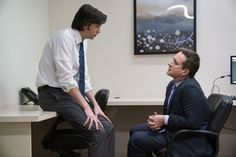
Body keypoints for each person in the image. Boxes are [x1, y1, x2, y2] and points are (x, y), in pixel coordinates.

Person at [36, 4, 114, 157]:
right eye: (97, 26)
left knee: (108, 127)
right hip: (52, 94)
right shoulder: (63, 38)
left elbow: (82, 77)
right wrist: (86, 108)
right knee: (97, 132)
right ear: (85, 25)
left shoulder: (82, 42)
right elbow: (65, 79)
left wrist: (95, 106)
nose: (99, 31)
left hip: (68, 94)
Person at [127, 48, 212, 157]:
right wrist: (160, 123)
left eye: (175, 62)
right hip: (174, 130)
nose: (169, 63)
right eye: (172, 59)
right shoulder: (172, 85)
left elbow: (193, 122)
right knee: (134, 130)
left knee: (136, 140)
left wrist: (164, 119)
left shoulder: (190, 88)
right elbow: (173, 114)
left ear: (185, 71)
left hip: (186, 138)